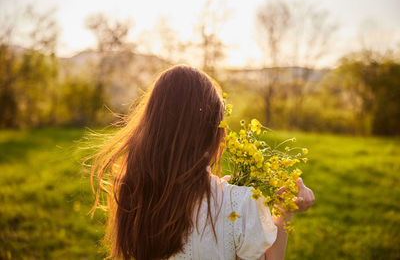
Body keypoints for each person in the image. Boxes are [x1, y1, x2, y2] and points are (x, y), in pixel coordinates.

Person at [90, 65, 315, 260]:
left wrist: (221, 192)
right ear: (213, 134)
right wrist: (284, 212)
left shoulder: (135, 190)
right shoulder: (238, 204)